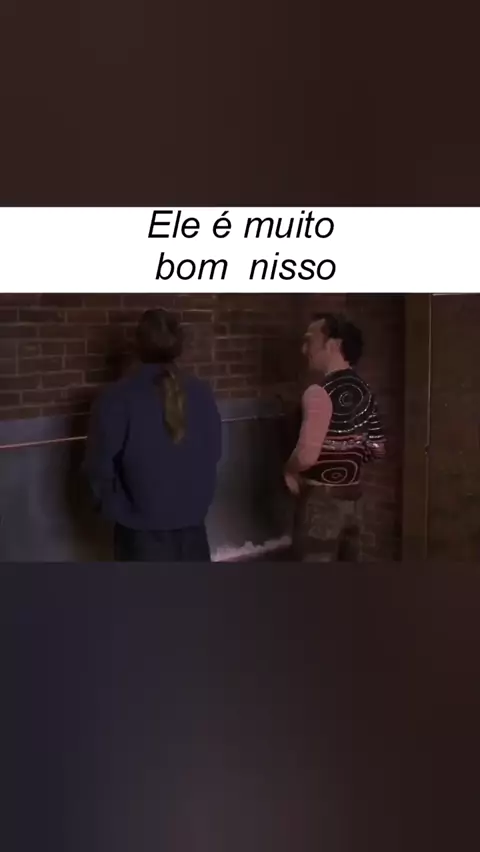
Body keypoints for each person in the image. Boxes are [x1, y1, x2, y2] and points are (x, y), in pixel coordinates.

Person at [85, 308, 222, 561]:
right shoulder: (202, 393)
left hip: (140, 535)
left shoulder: (116, 398)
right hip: (193, 530)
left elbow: (98, 466)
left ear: (138, 344)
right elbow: (214, 453)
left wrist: (116, 508)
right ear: (179, 345)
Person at [284, 313, 386, 562]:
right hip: (355, 501)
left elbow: (307, 455)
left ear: (332, 345)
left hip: (321, 504)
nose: (304, 349)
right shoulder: (365, 391)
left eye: (310, 341)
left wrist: (289, 470)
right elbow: (377, 450)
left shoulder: (318, 393)